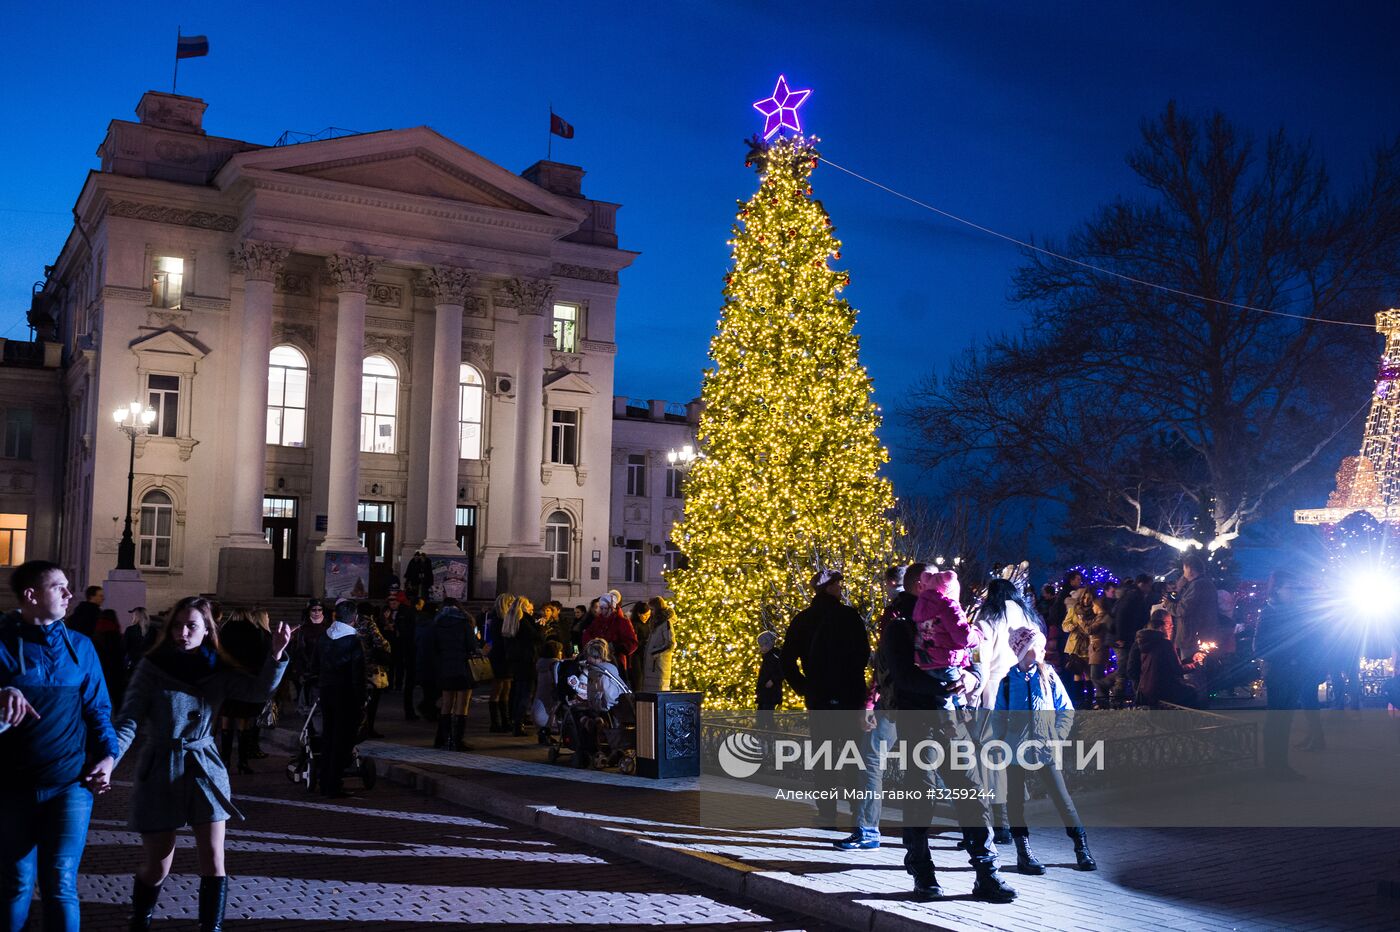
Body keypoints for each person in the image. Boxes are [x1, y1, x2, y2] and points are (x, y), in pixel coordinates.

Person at [112, 595, 290, 932]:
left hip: (204, 767)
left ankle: (211, 927)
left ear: (207, 630)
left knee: (213, 858)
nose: (182, 632)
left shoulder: (217, 668)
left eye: (191, 626)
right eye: (177, 625)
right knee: (158, 864)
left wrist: (277, 654)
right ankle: (140, 919)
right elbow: (129, 720)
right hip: (160, 765)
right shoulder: (152, 666)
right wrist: (109, 761)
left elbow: (257, 691)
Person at [875, 568, 1016, 902]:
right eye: (928, 578)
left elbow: (976, 658)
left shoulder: (954, 617)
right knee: (921, 796)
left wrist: (971, 680)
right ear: (916, 585)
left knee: (973, 793)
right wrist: (946, 684)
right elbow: (902, 676)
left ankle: (987, 873)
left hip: (953, 723)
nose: (936, 582)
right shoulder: (899, 626)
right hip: (918, 722)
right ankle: (922, 870)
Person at [1, 560, 118, 932]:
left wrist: (109, 758)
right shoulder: (2, 642)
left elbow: (98, 709)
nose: (70, 594)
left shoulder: (81, 647)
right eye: (59, 587)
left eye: (68, 586)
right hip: (11, 787)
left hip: (70, 785)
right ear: (31, 595)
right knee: (15, 885)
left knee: (61, 885)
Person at [993, 625, 1096, 874]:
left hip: (1044, 749)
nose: (1042, 649)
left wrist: (1056, 736)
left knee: (1063, 800)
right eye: (1036, 646)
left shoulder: (1048, 676)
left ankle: (1081, 847)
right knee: (1015, 802)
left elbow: (1065, 709)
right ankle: (1023, 852)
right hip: (1015, 750)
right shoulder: (1008, 683)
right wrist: (1000, 742)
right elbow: (998, 717)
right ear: (1023, 651)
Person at [839, 561, 925, 852]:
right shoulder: (940, 611)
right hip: (928, 703)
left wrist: (870, 701)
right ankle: (965, 835)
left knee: (872, 761)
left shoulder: (895, 613)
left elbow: (884, 663)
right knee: (930, 769)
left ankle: (868, 829)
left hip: (894, 702)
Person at [781, 568, 870, 828]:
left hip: (819, 698)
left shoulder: (803, 619)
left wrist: (804, 687)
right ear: (828, 587)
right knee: (853, 757)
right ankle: (857, 809)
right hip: (850, 696)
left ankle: (827, 811)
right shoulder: (849, 616)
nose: (841, 587)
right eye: (837, 583)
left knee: (824, 758)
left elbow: (787, 660)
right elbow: (862, 655)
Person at [1254, 571, 1313, 778]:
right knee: (1277, 718)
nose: (1295, 591)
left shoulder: (1296, 612)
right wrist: (1289, 657)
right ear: (1278, 589)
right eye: (1291, 587)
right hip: (1279, 671)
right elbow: (1259, 646)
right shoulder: (1269, 612)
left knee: (1286, 718)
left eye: (1296, 587)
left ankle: (1281, 764)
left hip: (1295, 671)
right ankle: (1273, 764)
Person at [318, 601, 367, 798]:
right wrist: (361, 699)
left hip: (326, 690)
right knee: (343, 739)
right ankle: (334, 783)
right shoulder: (353, 641)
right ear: (354, 618)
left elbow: (316, 663)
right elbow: (358, 674)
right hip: (346, 695)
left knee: (328, 735)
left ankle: (324, 780)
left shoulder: (325, 636)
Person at [217, 608, 273, 775]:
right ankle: (242, 762)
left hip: (227, 683)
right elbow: (261, 656)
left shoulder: (224, 631)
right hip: (247, 681)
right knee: (243, 723)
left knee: (226, 723)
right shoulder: (254, 633)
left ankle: (225, 760)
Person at [911, 569, 980, 701]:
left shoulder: (918, 610)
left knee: (943, 701)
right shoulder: (949, 607)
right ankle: (957, 718)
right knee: (954, 698)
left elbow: (977, 656)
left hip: (926, 662)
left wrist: (975, 675)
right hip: (949, 663)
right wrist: (977, 636)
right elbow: (971, 644)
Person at [430, 598, 480, 752]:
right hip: (462, 667)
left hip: (445, 667)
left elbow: (434, 647)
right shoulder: (464, 623)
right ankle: (457, 741)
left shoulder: (438, 624)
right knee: (462, 705)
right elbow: (472, 646)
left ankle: (442, 739)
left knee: (446, 703)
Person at [1126, 610, 1199, 707]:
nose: (1172, 627)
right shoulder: (1164, 643)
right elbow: (1176, 669)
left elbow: (1169, 664)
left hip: (1145, 690)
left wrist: (1191, 658)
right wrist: (1195, 664)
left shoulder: (1143, 641)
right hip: (1161, 689)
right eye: (1169, 624)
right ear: (1160, 625)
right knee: (1192, 691)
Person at [505, 596, 544, 737]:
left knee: (518, 692)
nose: (530, 608)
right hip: (527, 661)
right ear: (523, 606)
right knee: (526, 693)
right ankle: (519, 723)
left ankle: (515, 720)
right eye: (528, 605)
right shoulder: (525, 620)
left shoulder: (511, 619)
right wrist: (540, 626)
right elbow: (537, 637)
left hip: (516, 661)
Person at [1171, 554, 1219, 660]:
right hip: (1201, 634)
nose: (1183, 573)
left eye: (1184, 570)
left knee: (1191, 671)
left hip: (1191, 636)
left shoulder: (1197, 585)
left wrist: (1169, 603)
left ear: (1189, 568)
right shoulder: (1206, 583)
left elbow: (1182, 609)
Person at [355, 604, 392, 740]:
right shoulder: (370, 624)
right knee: (372, 701)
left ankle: (358, 727)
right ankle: (367, 728)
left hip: (355, 665)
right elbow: (381, 643)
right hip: (370, 667)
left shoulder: (353, 623)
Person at [583, 591, 639, 680]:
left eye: (604, 608)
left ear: (611, 608)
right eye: (601, 608)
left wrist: (615, 647)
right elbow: (587, 634)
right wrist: (593, 645)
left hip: (615, 662)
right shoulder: (598, 621)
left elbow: (632, 643)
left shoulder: (622, 622)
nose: (602, 611)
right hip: (597, 661)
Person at [484, 593, 516, 733]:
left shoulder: (497, 619)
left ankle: (504, 721)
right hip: (500, 656)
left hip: (501, 656)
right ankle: (497, 722)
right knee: (498, 688)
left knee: (505, 689)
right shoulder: (499, 620)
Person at [289, 599, 327, 713]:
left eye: (320, 610)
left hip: (324, 668)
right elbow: (300, 649)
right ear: (308, 611)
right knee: (307, 701)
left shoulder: (328, 626)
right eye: (314, 610)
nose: (317, 612)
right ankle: (308, 726)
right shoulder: (302, 628)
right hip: (307, 668)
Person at [639, 596, 675, 693]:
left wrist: (655, 652)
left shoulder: (665, 623)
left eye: (652, 609)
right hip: (652, 666)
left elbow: (670, 643)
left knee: (657, 694)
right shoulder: (655, 623)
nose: (650, 612)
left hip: (658, 666)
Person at [93, 607, 127, 707]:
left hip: (101, 670)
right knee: (118, 699)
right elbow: (120, 653)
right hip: (115, 671)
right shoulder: (115, 633)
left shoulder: (96, 633)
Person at [755, 631, 783, 719]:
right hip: (765, 692)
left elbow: (781, 670)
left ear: (768, 645)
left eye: (762, 645)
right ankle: (764, 730)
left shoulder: (775, 656)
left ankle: (769, 731)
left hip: (771, 692)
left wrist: (773, 680)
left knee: (767, 716)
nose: (761, 648)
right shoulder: (767, 656)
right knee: (762, 715)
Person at [627, 601, 653, 691]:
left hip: (645, 654)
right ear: (638, 614)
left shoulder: (648, 624)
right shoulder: (634, 624)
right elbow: (634, 641)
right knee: (638, 678)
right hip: (636, 655)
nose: (647, 617)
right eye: (645, 615)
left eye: (648, 615)